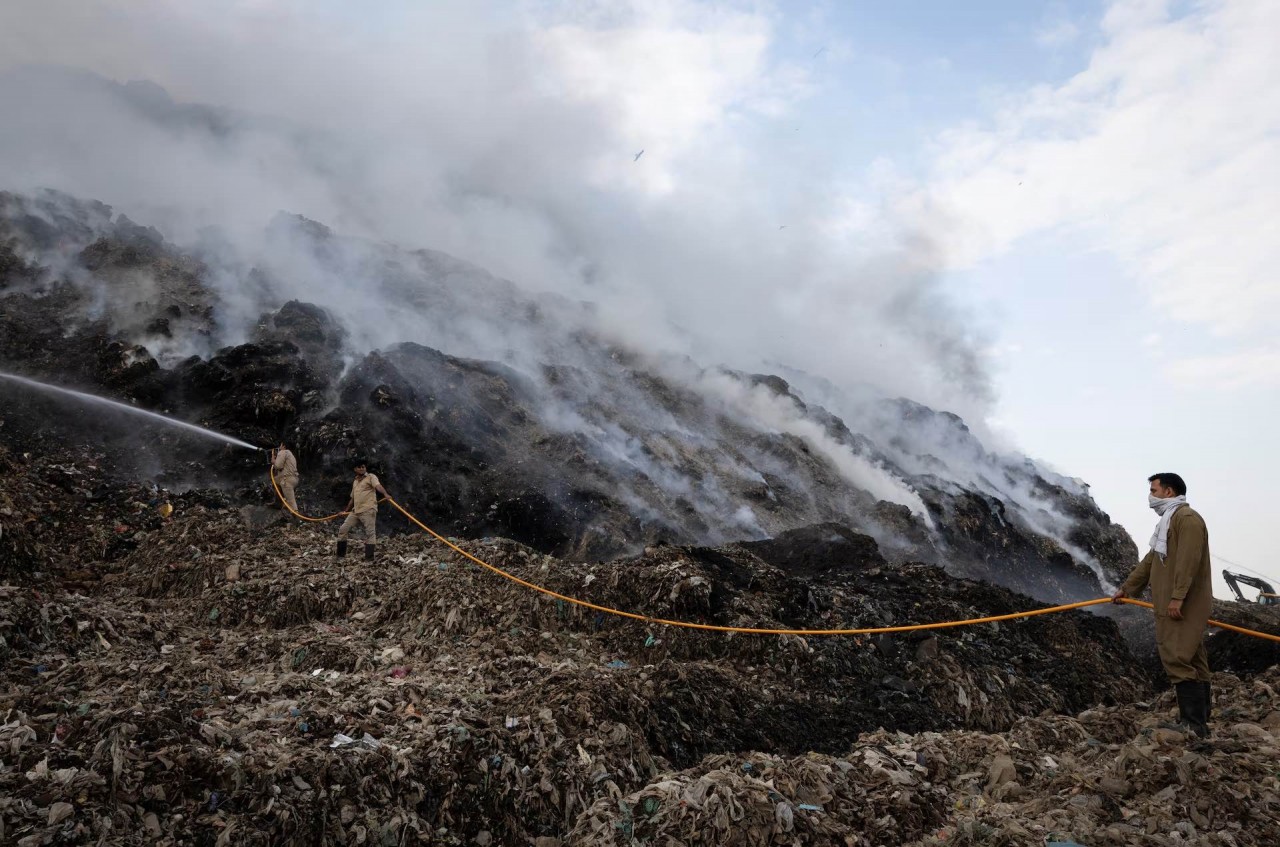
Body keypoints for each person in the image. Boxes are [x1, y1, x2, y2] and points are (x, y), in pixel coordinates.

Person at [1112, 472, 1213, 736]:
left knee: (1177, 656)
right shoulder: (1167, 523)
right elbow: (1151, 561)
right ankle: (1200, 722)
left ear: (1168, 492)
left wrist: (1178, 597)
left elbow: (1188, 561)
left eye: (1153, 491)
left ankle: (1193, 724)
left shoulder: (1186, 519)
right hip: (1173, 601)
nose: (1150, 496)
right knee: (1193, 657)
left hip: (1183, 604)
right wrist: (1127, 589)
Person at [337, 460, 388, 561]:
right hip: (356, 511)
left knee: (370, 533)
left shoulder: (371, 477)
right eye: (359, 467)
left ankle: (369, 559)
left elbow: (377, 486)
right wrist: (345, 511)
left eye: (363, 467)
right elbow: (352, 499)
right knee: (343, 529)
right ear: (355, 469)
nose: (361, 469)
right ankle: (340, 556)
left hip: (368, 510)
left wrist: (385, 494)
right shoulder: (355, 481)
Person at [270, 442, 300, 513]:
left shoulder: (283, 452)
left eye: (280, 445)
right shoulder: (291, 455)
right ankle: (278, 503)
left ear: (283, 446)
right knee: (275, 481)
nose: (279, 447)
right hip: (294, 479)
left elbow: (278, 466)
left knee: (292, 503)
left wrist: (273, 461)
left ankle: (296, 517)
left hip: (286, 481)